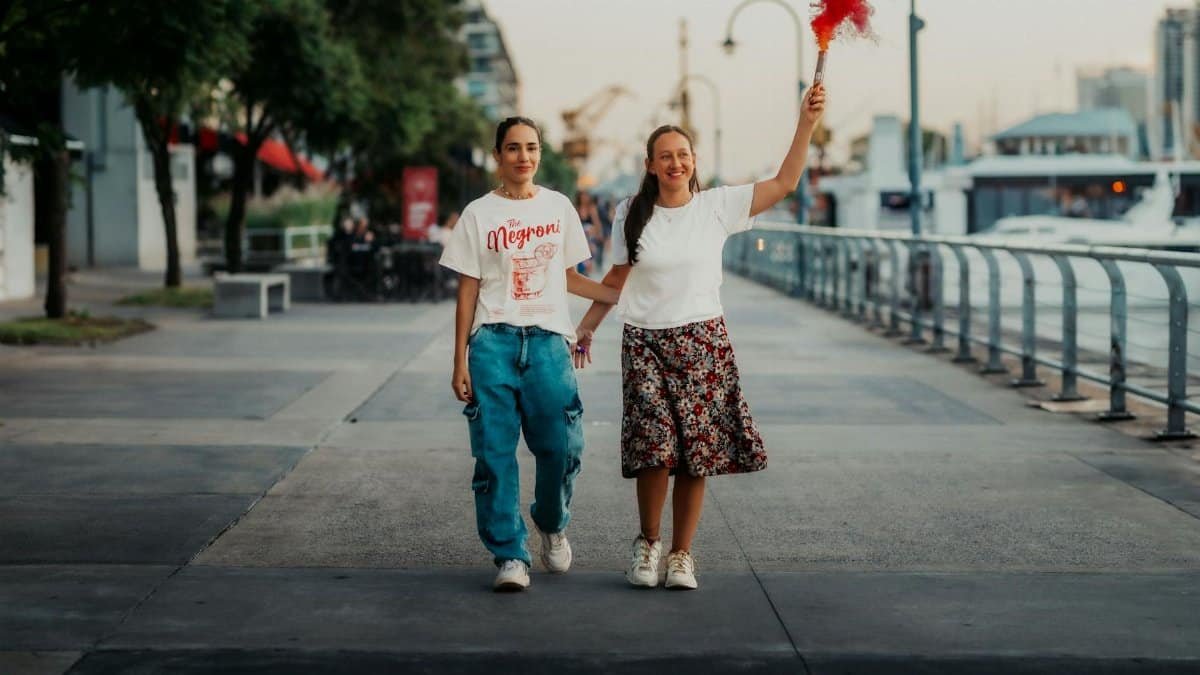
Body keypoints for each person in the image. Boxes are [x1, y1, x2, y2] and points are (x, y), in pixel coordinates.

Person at [573, 84, 827, 590]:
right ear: (650, 165)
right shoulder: (630, 213)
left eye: (683, 155)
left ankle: (682, 555)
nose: (675, 163)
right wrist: (586, 327)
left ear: (694, 160)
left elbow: (786, 181)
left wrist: (807, 124)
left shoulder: (718, 206)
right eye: (665, 157)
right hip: (644, 342)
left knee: (697, 453)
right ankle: (648, 544)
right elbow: (616, 282)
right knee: (654, 449)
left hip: (703, 341)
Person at [439, 116, 620, 592]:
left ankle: (551, 520)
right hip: (492, 344)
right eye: (514, 148)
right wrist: (459, 359)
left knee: (562, 447)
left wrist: (612, 296)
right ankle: (510, 554)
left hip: (547, 343)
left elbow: (566, 277)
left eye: (532, 147)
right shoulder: (478, 214)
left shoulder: (558, 207)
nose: (524, 156)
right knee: (495, 455)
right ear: (498, 155)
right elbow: (468, 290)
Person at [574, 190, 604, 275]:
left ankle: (586, 271)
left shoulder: (591, 208)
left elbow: (597, 223)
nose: (584, 198)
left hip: (590, 236)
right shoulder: (576, 208)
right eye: (582, 196)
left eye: (586, 196)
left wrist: (598, 233)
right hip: (579, 236)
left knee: (590, 252)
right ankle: (582, 271)